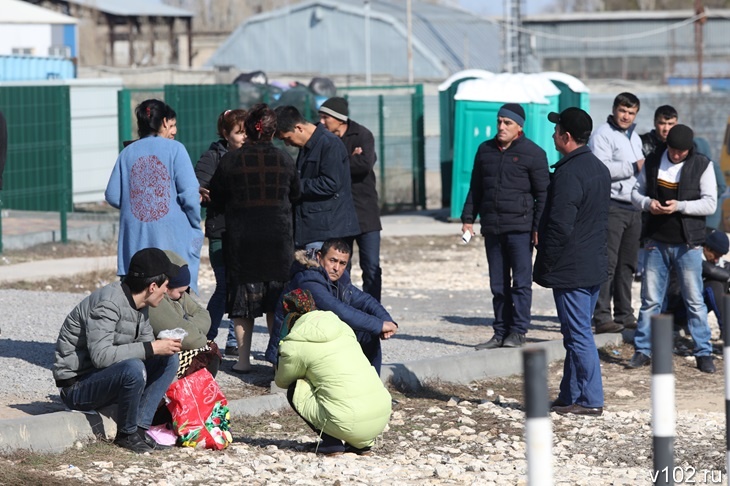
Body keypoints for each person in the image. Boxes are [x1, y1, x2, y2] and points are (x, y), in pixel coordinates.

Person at [52, 248, 182, 453]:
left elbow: (147, 348)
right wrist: (151, 347)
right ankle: (126, 434)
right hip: (77, 387)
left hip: (105, 376)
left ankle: (139, 429)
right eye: (166, 286)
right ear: (152, 286)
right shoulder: (108, 303)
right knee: (134, 367)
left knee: (168, 359)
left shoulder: (141, 304)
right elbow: (101, 356)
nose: (167, 292)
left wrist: (159, 348)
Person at [209, 104, 301, 373]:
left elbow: (217, 195)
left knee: (242, 306)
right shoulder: (285, 159)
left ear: (248, 129)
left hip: (243, 240)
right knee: (275, 303)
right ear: (273, 130)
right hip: (278, 239)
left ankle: (243, 360)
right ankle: (277, 359)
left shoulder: (230, 160)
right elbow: (296, 194)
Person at [535, 107, 610, 417]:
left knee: (578, 335)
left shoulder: (569, 173)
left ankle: (591, 398)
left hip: (572, 268)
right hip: (592, 265)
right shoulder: (598, 168)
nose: (553, 135)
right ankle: (571, 394)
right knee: (574, 333)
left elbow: (560, 226)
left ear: (566, 137)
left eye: (556, 131)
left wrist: (546, 265)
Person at [628, 124, 717, 373]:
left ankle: (703, 351)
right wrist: (648, 204)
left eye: (682, 152)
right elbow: (636, 193)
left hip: (689, 243)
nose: (676, 155)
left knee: (694, 299)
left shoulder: (703, 164)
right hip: (656, 241)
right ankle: (642, 349)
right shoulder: (654, 160)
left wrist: (680, 206)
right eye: (673, 150)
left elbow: (710, 204)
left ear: (689, 149)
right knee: (650, 300)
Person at [461, 103, 550, 349]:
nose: (501, 126)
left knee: (520, 284)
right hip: (493, 228)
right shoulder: (485, 150)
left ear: (519, 126)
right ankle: (500, 332)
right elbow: (476, 188)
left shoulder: (534, 153)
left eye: (507, 123)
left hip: (520, 230)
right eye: (499, 121)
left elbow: (543, 195)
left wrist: (537, 228)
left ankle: (518, 332)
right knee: (498, 285)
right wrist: (468, 219)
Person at [274, 289, 392, 456]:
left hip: (348, 420)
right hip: (380, 415)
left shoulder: (294, 343)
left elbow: (283, 381)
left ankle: (331, 444)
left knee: (295, 388)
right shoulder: (341, 326)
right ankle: (361, 445)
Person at [105, 99, 204, 293]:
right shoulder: (176, 149)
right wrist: (195, 223)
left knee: (138, 298)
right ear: (165, 122)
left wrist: (136, 201)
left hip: (135, 241)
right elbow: (190, 195)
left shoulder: (127, 152)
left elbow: (112, 195)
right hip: (172, 240)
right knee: (174, 298)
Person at [265, 238, 397, 374]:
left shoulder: (339, 279)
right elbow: (337, 309)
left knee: (368, 335)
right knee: (352, 329)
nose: (337, 268)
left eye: (342, 263)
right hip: (293, 350)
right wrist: (379, 325)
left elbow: (365, 300)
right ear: (319, 257)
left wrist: (387, 321)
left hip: (316, 340)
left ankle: (372, 384)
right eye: (332, 260)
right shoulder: (308, 278)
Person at [588, 92, 644, 335]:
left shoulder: (635, 138)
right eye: (623, 111)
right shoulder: (602, 134)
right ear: (614, 110)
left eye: (631, 113)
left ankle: (624, 313)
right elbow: (600, 168)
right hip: (612, 205)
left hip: (634, 208)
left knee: (628, 265)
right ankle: (602, 316)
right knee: (608, 264)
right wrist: (632, 167)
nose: (626, 116)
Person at [318, 97, 383, 301]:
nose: (321, 122)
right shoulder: (324, 138)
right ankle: (342, 308)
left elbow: (364, 165)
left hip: (366, 214)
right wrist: (349, 157)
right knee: (339, 266)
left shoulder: (362, 135)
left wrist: (339, 162)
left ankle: (373, 311)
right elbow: (322, 169)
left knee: (371, 266)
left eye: (325, 117)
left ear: (339, 119)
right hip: (339, 215)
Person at [195, 109, 247, 356]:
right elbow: (199, 188)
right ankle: (206, 338)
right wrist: (208, 192)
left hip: (244, 232)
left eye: (247, 131)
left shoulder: (250, 155)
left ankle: (234, 341)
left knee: (242, 287)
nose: (244, 136)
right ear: (226, 134)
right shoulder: (212, 157)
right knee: (225, 286)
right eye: (239, 132)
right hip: (221, 231)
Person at [274, 105, 359, 251]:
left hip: (329, 231)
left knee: (324, 273)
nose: (288, 143)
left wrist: (294, 186)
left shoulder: (330, 144)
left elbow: (330, 183)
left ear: (299, 128)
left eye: (287, 138)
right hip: (314, 228)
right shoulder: (307, 147)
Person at [149, 250, 221, 379]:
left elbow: (204, 315)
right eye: (181, 291)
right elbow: (191, 339)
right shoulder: (155, 300)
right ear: (166, 287)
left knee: (210, 350)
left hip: (181, 343)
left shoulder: (178, 295)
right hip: (156, 356)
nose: (183, 295)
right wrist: (192, 331)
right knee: (202, 352)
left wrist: (188, 327)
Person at [665, 230, 730, 341]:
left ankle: (726, 330)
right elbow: (709, 270)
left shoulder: (721, 264)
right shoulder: (690, 257)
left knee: (722, 283)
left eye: (719, 257)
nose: (716, 260)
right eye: (715, 255)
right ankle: (727, 331)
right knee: (714, 284)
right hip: (677, 310)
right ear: (706, 248)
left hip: (695, 308)